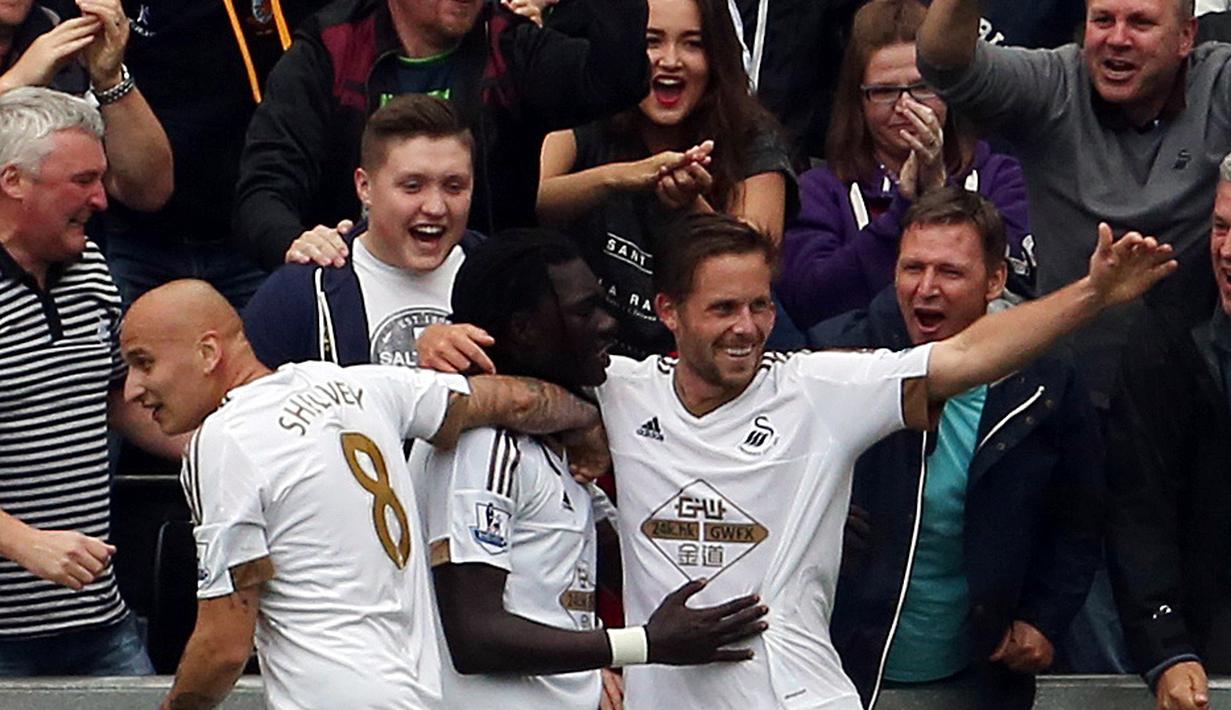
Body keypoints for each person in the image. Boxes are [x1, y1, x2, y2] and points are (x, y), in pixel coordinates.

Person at [589, 209, 1169, 710]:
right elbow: (534, 392)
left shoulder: (817, 389)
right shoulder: (621, 392)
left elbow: (966, 356)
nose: (747, 327)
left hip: (797, 698)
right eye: (723, 308)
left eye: (760, 305)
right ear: (668, 310)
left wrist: (1092, 294)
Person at [123, 279, 607, 710]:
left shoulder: (227, 439)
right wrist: (585, 419)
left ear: (209, 353)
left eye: (144, 363)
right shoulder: (358, 384)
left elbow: (224, 647)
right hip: (418, 696)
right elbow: (514, 400)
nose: (131, 390)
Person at [415, 230, 768, 709]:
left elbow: (606, 566)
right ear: (524, 329)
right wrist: (644, 644)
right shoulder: (483, 447)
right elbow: (475, 636)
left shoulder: (557, 446)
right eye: (585, 312)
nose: (608, 324)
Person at [808, 187, 1102, 709]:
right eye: (912, 268)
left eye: (949, 272)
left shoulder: (1045, 381)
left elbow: (1079, 516)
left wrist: (1044, 617)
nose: (926, 288)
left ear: (995, 280)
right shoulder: (838, 362)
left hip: (980, 677)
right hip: (841, 675)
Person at [916, 0, 1224, 407]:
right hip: (1063, 394)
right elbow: (942, 63)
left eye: (1140, 23)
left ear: (1186, 36)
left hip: (1192, 397)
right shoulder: (1055, 83)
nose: (1117, 39)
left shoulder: (1219, 86)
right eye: (1103, 20)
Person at [233, 0, 651, 271]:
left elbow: (615, 81)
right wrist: (296, 243)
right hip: (354, 292)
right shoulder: (331, 48)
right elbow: (264, 190)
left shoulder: (507, 43)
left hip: (490, 301)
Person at [0, 88, 180, 676]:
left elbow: (114, 398)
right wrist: (22, 542)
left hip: (100, 622)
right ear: (13, 181)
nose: (101, 199)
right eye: (82, 181)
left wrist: (222, 443)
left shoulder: (92, 270)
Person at [537, 0, 795, 359]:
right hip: (587, 355)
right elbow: (530, 198)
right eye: (651, 42)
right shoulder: (584, 107)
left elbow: (757, 264)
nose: (671, 61)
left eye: (693, 44)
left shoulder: (752, 135)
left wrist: (691, 204)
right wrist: (623, 177)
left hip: (704, 360)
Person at [776, 0, 1032, 331]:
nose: (905, 105)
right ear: (858, 100)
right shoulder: (818, 190)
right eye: (884, 91)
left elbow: (1015, 287)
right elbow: (812, 303)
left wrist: (939, 194)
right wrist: (904, 207)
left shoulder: (1002, 176)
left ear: (951, 88)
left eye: (923, 87)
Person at [1106, 153, 1231, 710]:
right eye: (1221, 227)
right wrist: (1168, 646)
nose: (1227, 251)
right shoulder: (1170, 328)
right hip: (1208, 606)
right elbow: (1139, 502)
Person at [243, 94, 485, 370]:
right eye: (413, 186)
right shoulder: (300, 291)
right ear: (364, 187)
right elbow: (247, 392)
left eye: (454, 187)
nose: (435, 207)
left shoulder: (506, 277)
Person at [0, 0, 172, 211]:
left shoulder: (54, 32)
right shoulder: (38, 59)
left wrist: (110, 80)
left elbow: (148, 192)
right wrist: (14, 85)